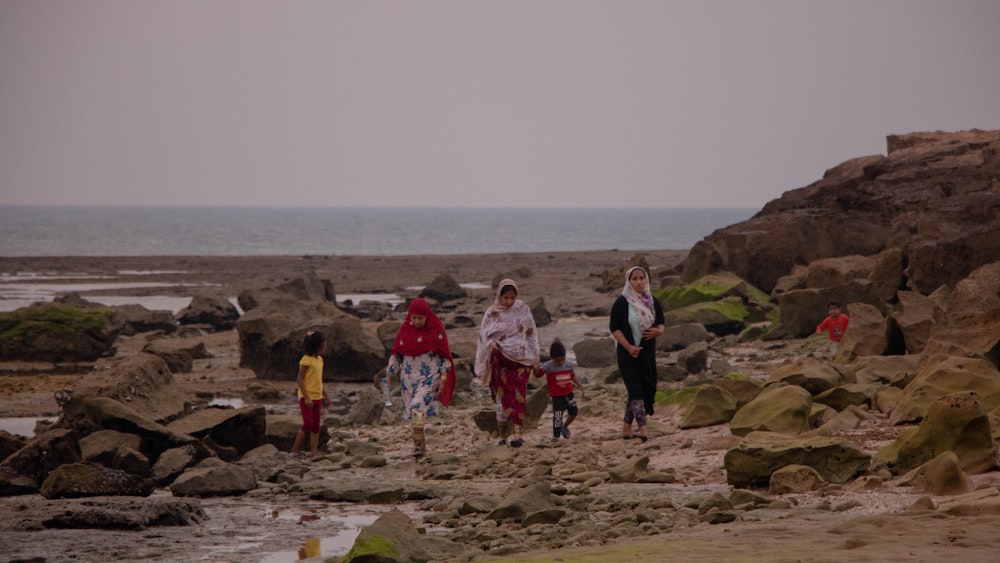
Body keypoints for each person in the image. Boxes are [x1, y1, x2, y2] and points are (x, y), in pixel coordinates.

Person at [385, 298, 456, 460]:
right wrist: (389, 375)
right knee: (414, 413)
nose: (416, 321)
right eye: (414, 318)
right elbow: (397, 355)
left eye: (420, 318)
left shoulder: (435, 330)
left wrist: (444, 377)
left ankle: (416, 446)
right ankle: (421, 446)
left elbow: (445, 355)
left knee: (417, 407)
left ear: (426, 316)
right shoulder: (405, 330)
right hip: (408, 380)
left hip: (429, 378)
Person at [474, 279, 540, 448]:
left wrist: (534, 358)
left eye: (512, 298)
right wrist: (492, 347)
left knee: (519, 395)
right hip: (500, 361)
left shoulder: (523, 309)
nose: (509, 302)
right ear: (499, 296)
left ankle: (518, 433)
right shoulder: (492, 313)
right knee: (501, 398)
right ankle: (503, 434)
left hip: (520, 360)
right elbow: (484, 337)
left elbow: (531, 333)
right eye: (506, 298)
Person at [610, 266, 665, 442]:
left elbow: (661, 323)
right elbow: (615, 328)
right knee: (635, 391)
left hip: (647, 354)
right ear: (629, 281)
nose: (639, 282)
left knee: (644, 389)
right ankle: (643, 429)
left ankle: (626, 427)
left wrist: (659, 332)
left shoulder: (652, 301)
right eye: (635, 279)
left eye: (642, 278)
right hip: (628, 354)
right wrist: (628, 346)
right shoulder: (622, 302)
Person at [536, 339, 585, 442]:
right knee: (557, 417)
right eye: (558, 361)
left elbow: (572, 375)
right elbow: (538, 374)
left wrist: (580, 385)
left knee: (574, 411)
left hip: (569, 394)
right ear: (552, 358)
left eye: (562, 359)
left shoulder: (568, 364)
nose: (561, 362)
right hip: (557, 396)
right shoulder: (548, 366)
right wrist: (534, 368)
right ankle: (556, 435)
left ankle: (565, 426)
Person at [291, 331, 330, 458]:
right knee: (308, 423)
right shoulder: (306, 360)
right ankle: (294, 450)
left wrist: (325, 395)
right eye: (324, 344)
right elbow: (300, 379)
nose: (325, 346)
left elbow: (319, 380)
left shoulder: (320, 360)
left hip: (317, 396)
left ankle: (314, 452)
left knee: (316, 425)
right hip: (306, 396)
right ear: (318, 345)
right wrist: (306, 397)